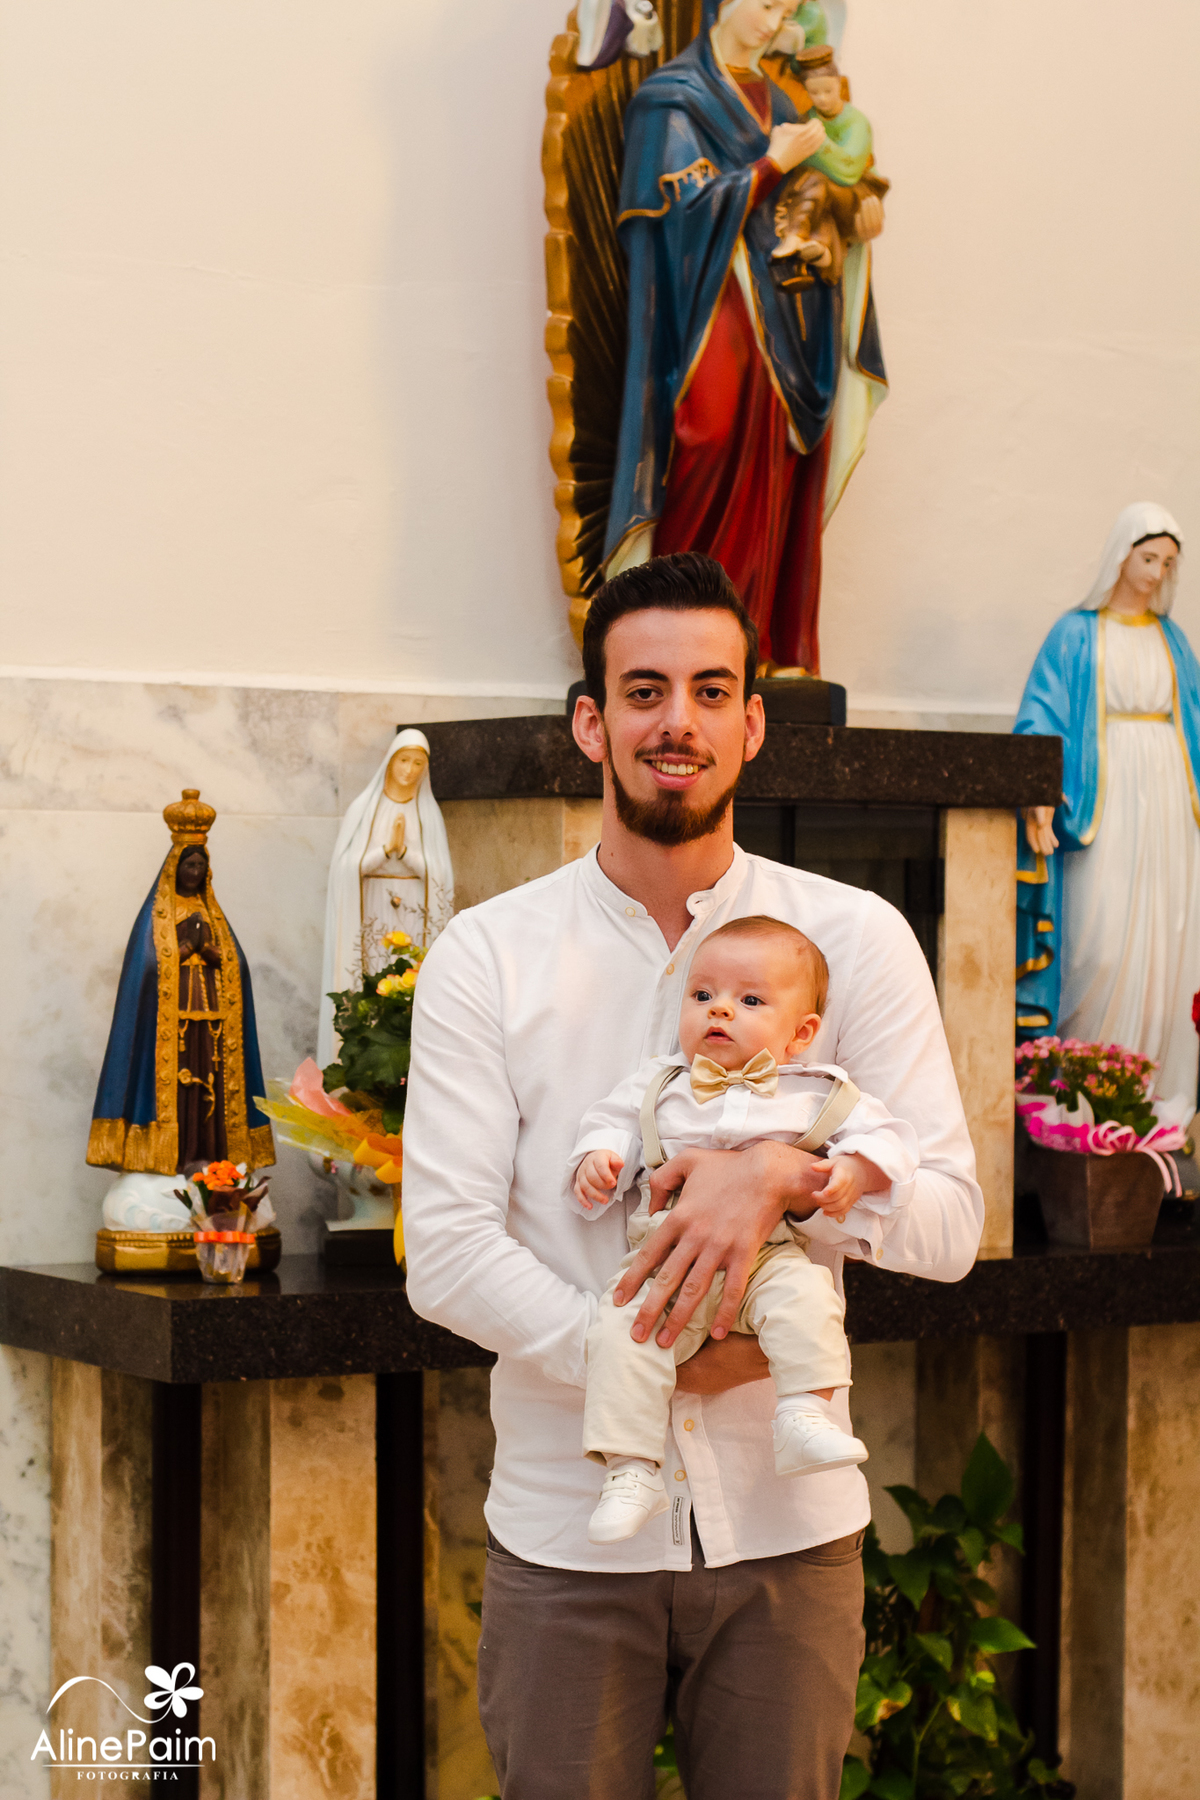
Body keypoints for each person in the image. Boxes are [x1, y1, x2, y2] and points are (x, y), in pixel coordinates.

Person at [401, 551, 981, 1800]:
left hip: (787, 1532)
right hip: (568, 1533)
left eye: (713, 690)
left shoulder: (856, 942)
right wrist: (656, 1353)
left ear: (754, 723)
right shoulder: (485, 955)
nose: (680, 722)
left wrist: (785, 1171)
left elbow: (947, 1223)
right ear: (591, 723)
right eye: (647, 689)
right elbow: (445, 1250)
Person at [573, 914, 921, 1544]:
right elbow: (608, 1120)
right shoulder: (659, 1084)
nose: (720, 1011)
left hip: (770, 1254)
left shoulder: (818, 1089)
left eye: (750, 1000)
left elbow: (890, 1139)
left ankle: (805, 1413)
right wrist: (598, 1161)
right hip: (661, 1259)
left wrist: (854, 1170)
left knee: (809, 1296)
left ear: (802, 1032)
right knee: (622, 1329)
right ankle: (631, 1469)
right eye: (703, 996)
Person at [604, 0, 887, 677]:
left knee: (782, 461)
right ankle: (675, 640)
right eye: (763, 4)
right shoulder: (670, 100)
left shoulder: (788, 102)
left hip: (791, 317)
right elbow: (673, 223)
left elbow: (823, 193)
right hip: (708, 313)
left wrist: (852, 218)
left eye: (785, 9)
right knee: (712, 435)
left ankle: (760, 647)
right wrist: (770, 165)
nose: (772, 22)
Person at [1015, 502, 1200, 1109]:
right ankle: (1081, 1102)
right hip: (1103, 804)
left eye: (1168, 563)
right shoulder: (1076, 633)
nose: (1155, 573)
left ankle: (1158, 1107)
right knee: (1099, 945)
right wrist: (1038, 792)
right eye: (1148, 557)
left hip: (1171, 809)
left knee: (1170, 948)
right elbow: (1041, 716)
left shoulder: (1174, 641)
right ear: (1121, 554)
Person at [87, 788, 274, 1175]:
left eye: (201, 866)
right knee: (181, 1087)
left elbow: (233, 964)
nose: (195, 872)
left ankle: (212, 1158)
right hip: (172, 1025)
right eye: (189, 865)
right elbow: (146, 969)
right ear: (175, 867)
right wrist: (186, 946)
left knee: (210, 1083)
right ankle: (172, 1156)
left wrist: (211, 954)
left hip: (212, 1019)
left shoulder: (212, 911)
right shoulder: (157, 915)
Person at [317, 727, 454, 1068]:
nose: (409, 770)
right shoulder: (364, 809)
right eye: (404, 761)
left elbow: (441, 876)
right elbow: (345, 869)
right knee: (371, 981)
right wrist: (383, 852)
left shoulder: (428, 814)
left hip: (411, 910)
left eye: (418, 763)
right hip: (370, 908)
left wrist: (405, 852)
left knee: (406, 980)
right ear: (390, 762)